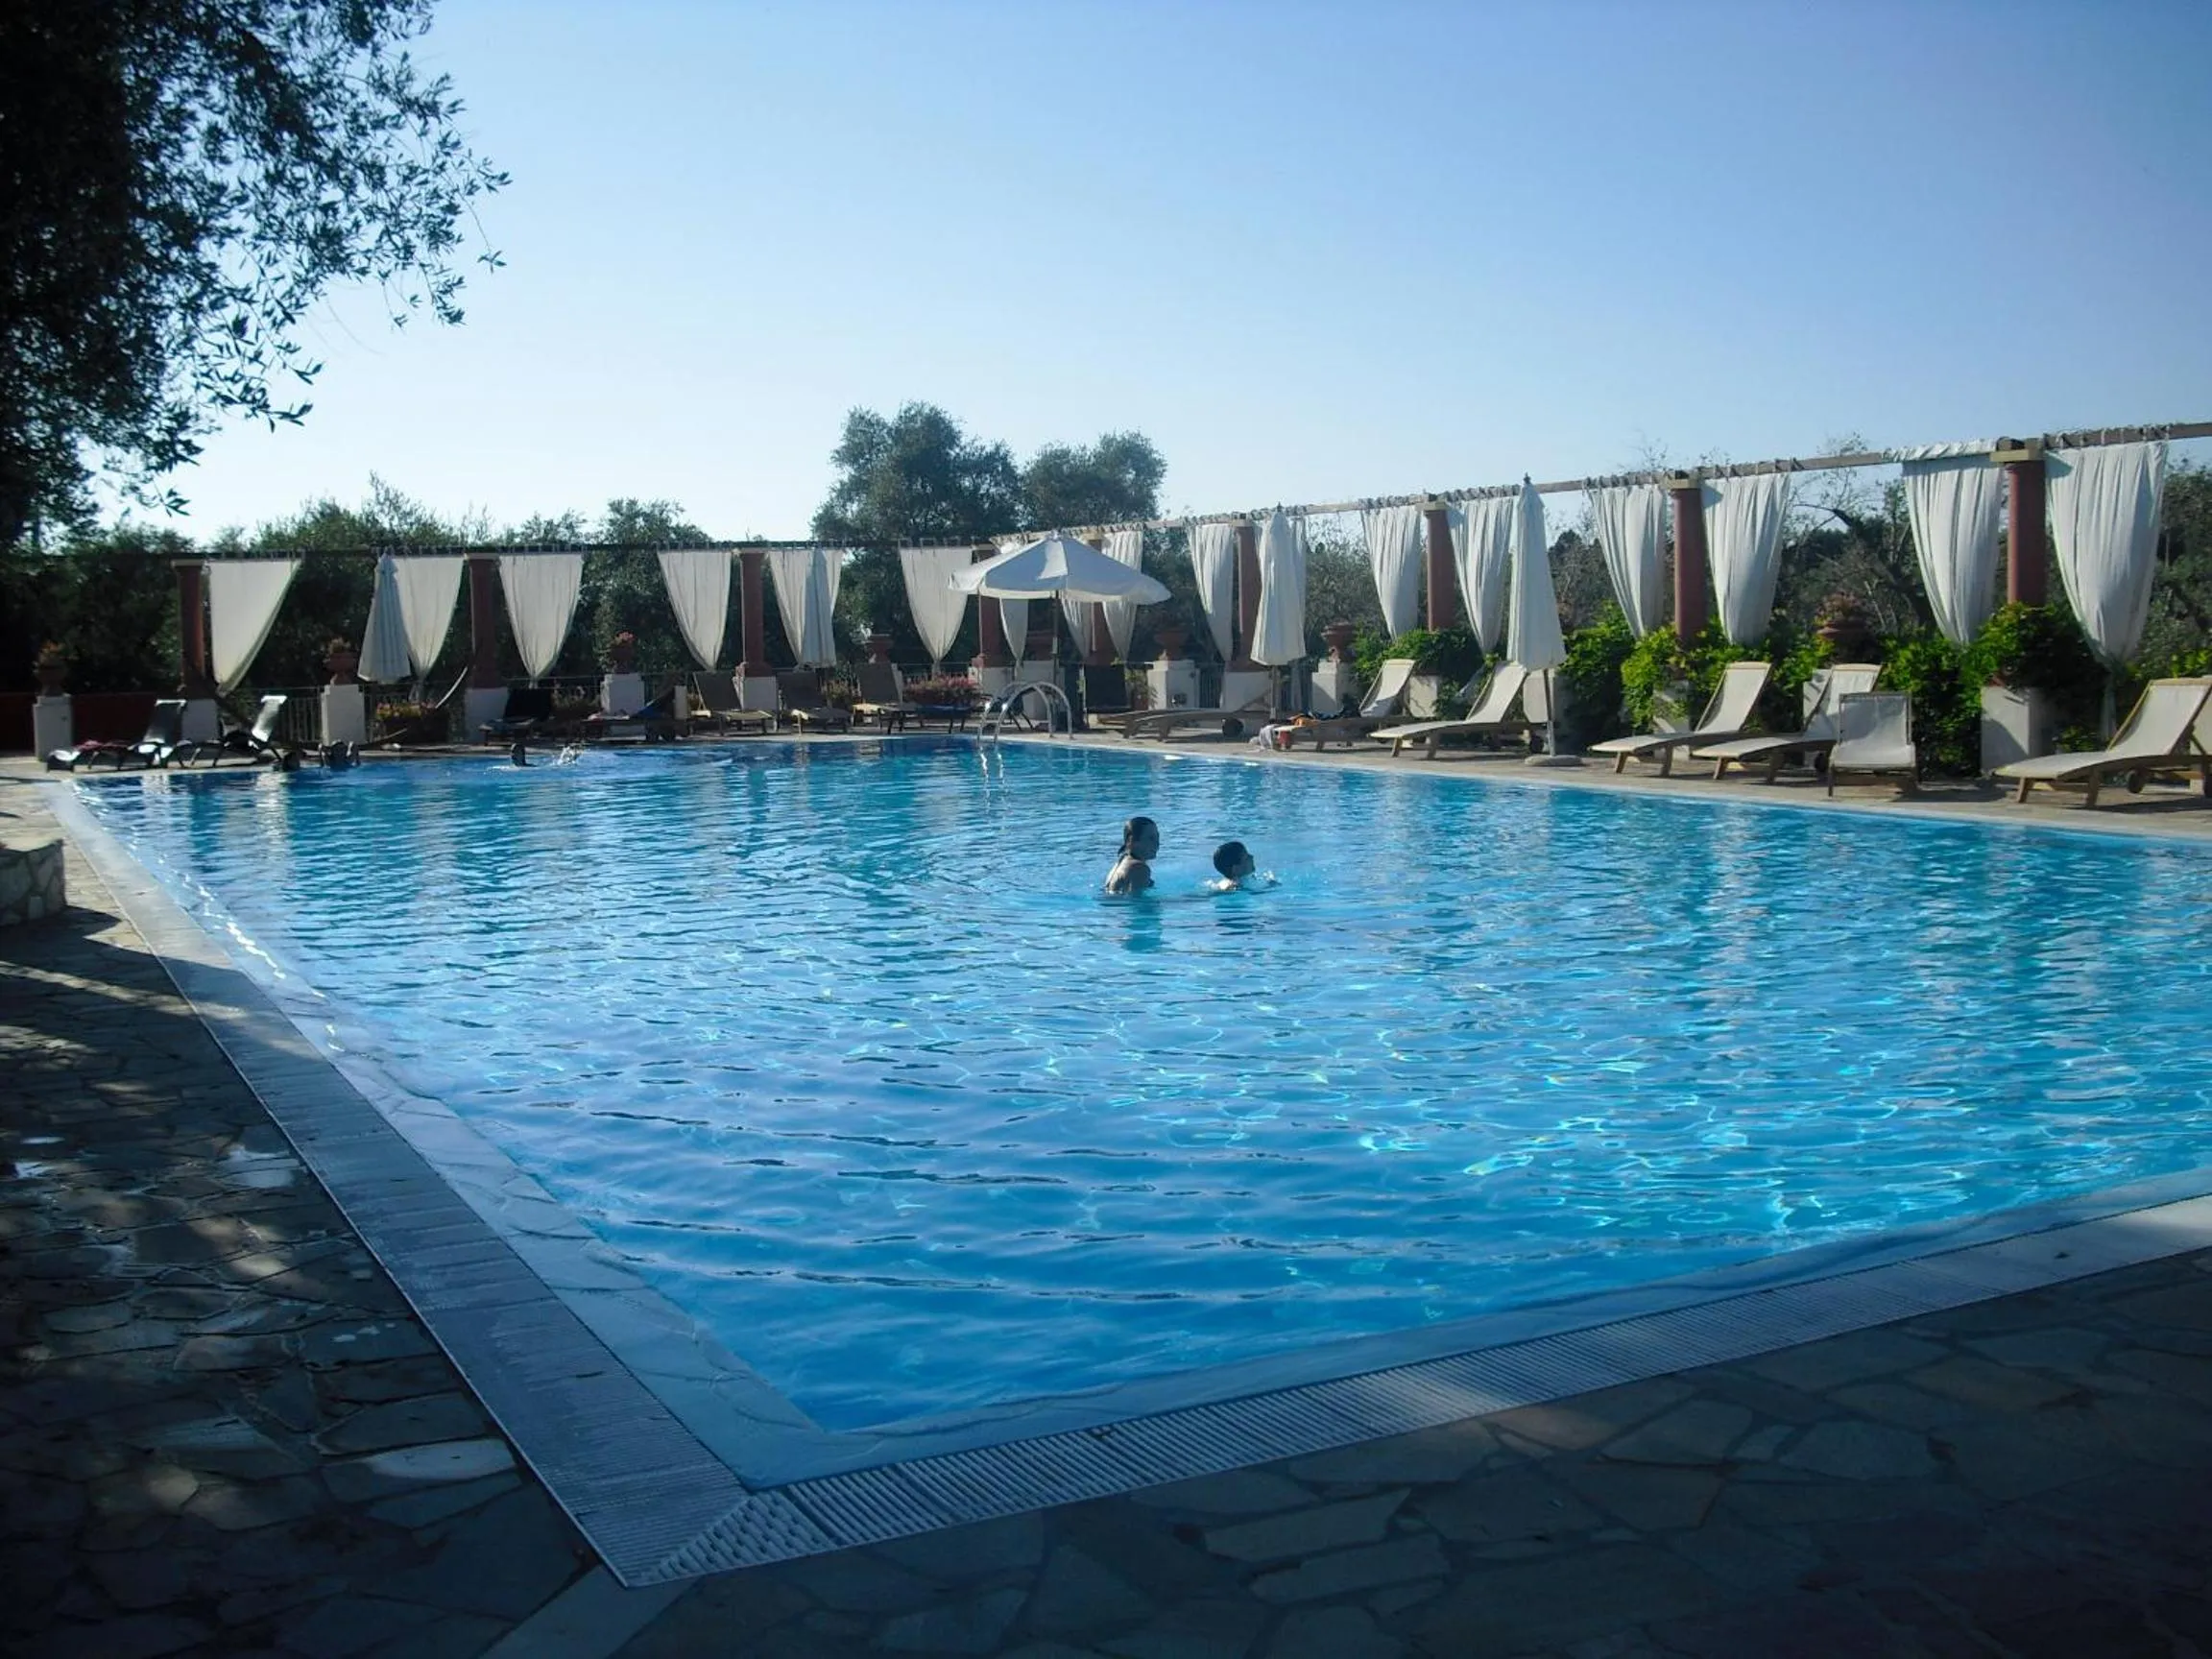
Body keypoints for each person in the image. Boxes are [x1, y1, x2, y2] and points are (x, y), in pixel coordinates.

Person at [1105, 815, 1159, 895]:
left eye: (1157, 837)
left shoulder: (1121, 861)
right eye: (1151, 838)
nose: (1157, 843)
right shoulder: (1139, 868)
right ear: (1132, 842)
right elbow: (1136, 903)